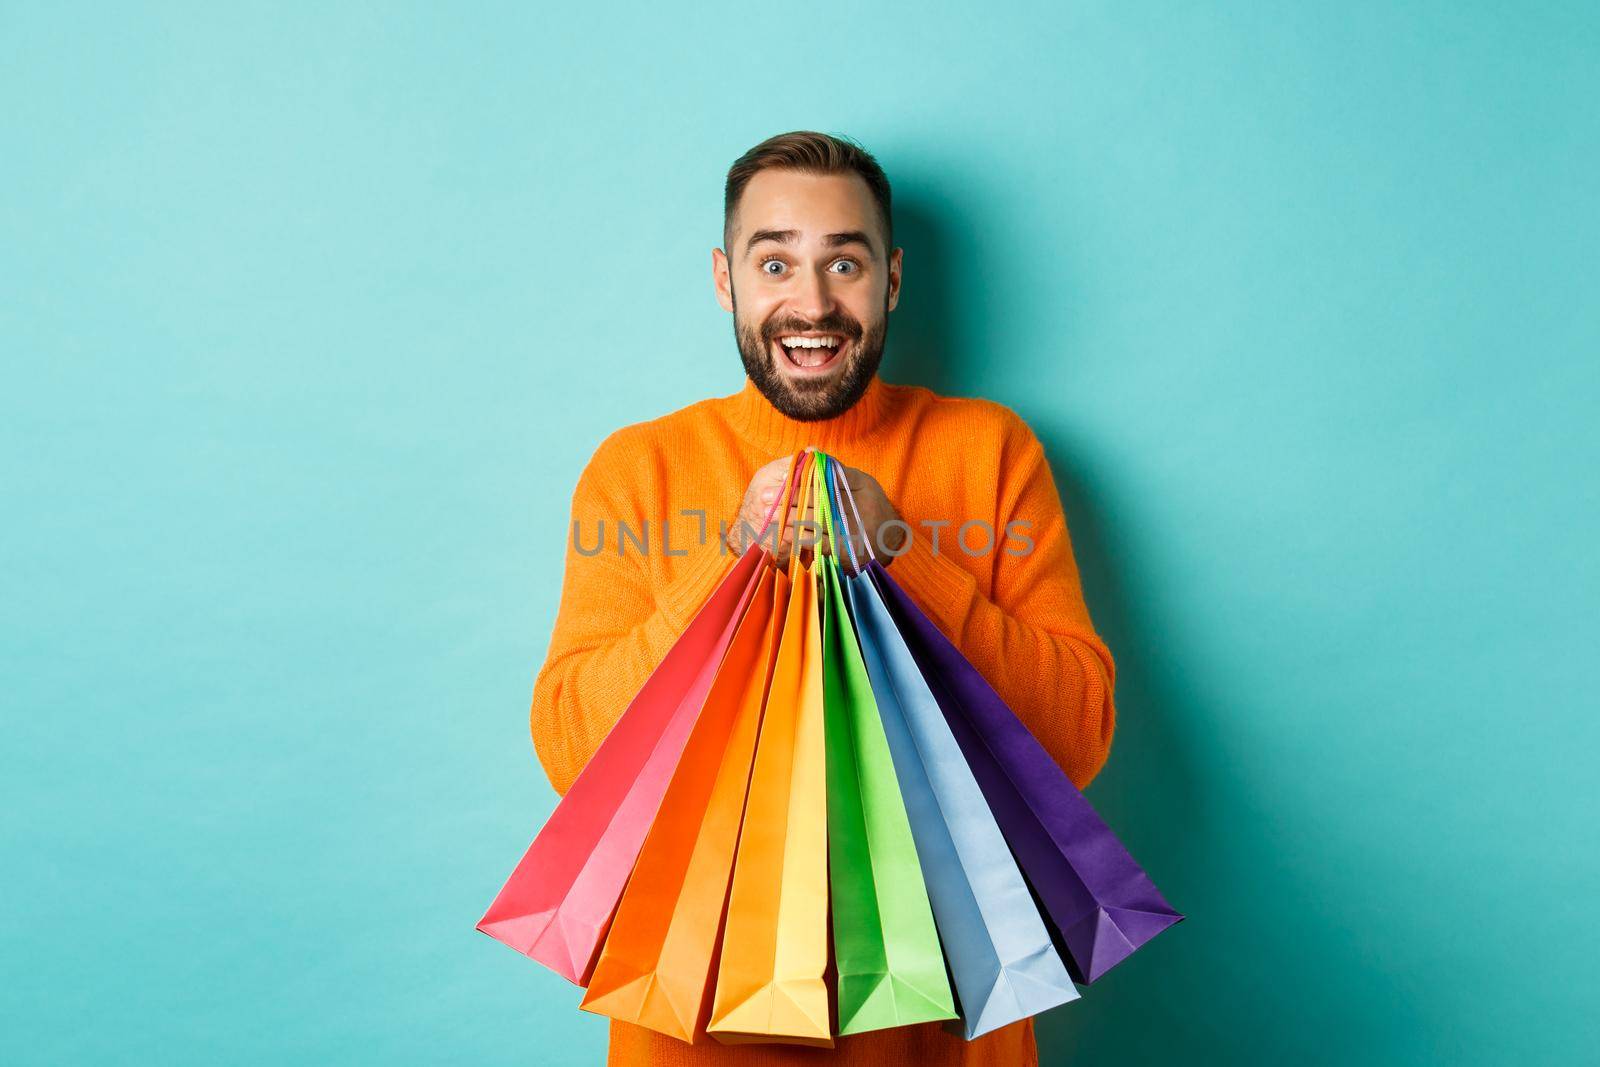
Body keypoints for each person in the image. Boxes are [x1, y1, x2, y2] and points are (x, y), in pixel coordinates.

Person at [529, 130, 1117, 1067]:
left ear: (890, 279)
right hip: (697, 1020)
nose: (811, 303)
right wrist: (727, 558)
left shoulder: (992, 453)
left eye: (844, 261)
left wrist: (903, 551)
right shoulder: (637, 472)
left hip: (945, 1027)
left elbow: (1077, 735)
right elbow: (572, 750)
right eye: (776, 262)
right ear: (727, 279)